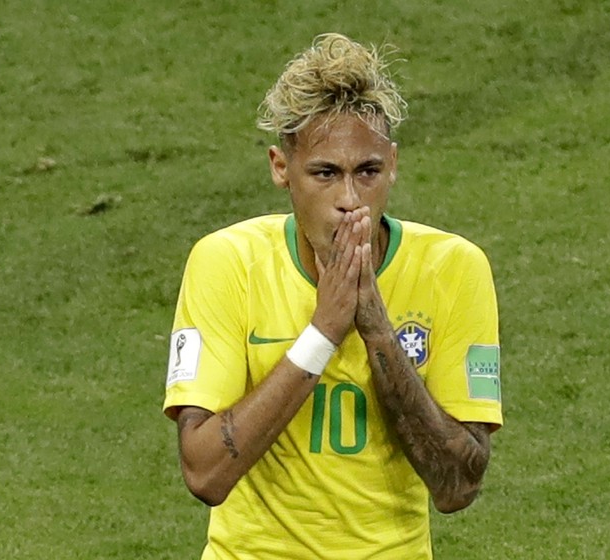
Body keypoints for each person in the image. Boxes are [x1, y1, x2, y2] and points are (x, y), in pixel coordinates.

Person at [163, 33, 503, 560]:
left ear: (392, 163)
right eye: (325, 173)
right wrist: (321, 334)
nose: (350, 201)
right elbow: (205, 472)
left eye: (367, 172)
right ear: (281, 168)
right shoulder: (227, 263)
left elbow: (458, 486)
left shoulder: (454, 269)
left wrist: (376, 329)